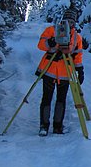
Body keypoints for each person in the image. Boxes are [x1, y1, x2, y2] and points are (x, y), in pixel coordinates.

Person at [36, 8, 84, 136]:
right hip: (49, 70)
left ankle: (58, 126)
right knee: (47, 98)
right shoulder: (52, 30)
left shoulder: (76, 37)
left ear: (74, 22)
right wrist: (50, 42)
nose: (69, 23)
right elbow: (40, 45)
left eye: (72, 21)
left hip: (65, 73)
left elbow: (78, 55)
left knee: (61, 100)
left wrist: (79, 69)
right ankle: (44, 126)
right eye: (67, 20)